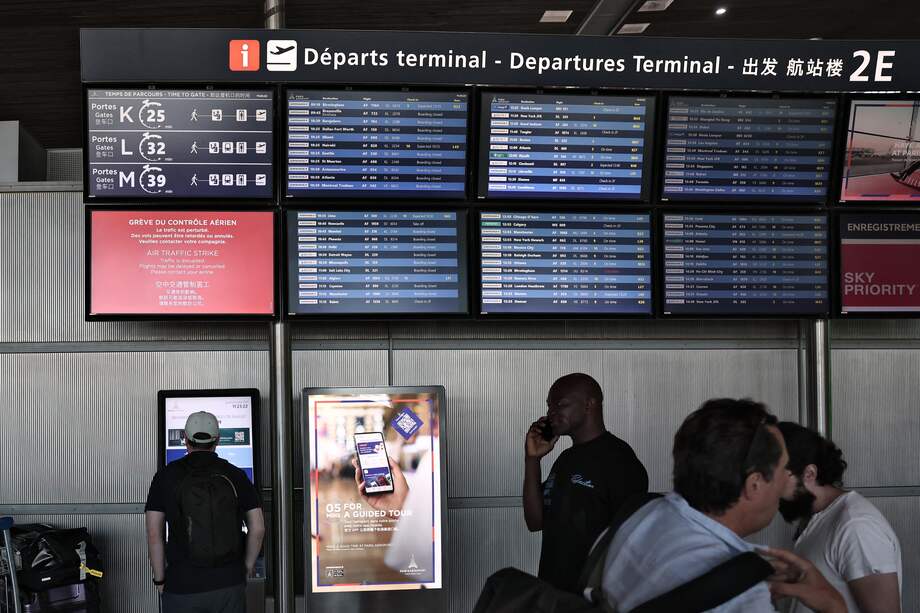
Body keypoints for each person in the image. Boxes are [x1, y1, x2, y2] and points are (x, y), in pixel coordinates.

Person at [601, 398, 846, 613]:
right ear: (755, 484)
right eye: (783, 469)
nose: (786, 480)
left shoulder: (643, 512)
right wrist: (834, 605)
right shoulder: (742, 597)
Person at [523, 372, 649, 593]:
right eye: (549, 406)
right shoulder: (565, 460)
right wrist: (532, 459)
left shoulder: (620, 461)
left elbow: (631, 545)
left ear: (589, 404)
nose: (551, 413)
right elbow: (534, 521)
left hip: (593, 600)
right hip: (555, 597)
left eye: (560, 404)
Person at [145, 411, 265, 612]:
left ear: (185, 438)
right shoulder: (236, 475)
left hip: (182, 586)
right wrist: (245, 568)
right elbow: (258, 528)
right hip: (228, 584)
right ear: (217, 440)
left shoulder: (165, 477)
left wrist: (160, 580)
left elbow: (153, 533)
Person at [777, 422, 902, 613]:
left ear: (809, 474)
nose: (769, 490)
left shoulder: (857, 527)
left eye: (776, 479)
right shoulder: (816, 517)